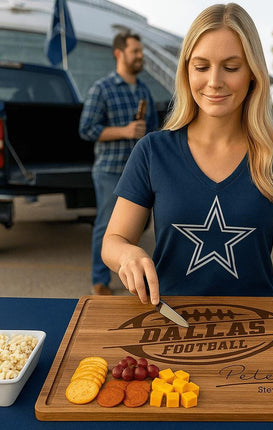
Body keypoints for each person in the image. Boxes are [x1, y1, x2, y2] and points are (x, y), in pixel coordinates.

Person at [102, 4, 273, 342]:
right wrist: (127, 254)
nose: (214, 82)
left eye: (231, 67)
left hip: (257, 327)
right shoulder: (152, 150)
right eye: (201, 66)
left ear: (252, 72)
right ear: (186, 71)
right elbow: (113, 241)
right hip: (168, 326)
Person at [79, 31, 159, 296]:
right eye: (135, 51)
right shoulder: (102, 88)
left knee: (137, 228)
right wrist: (124, 131)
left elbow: (155, 131)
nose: (140, 56)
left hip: (142, 173)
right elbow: (87, 129)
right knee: (107, 228)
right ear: (118, 53)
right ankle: (100, 281)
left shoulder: (145, 90)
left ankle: (131, 275)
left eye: (140, 51)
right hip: (110, 170)